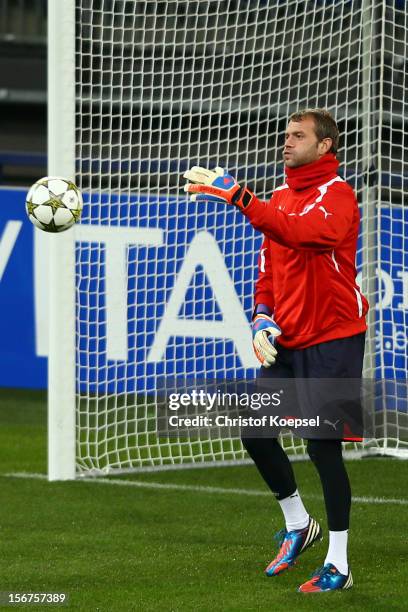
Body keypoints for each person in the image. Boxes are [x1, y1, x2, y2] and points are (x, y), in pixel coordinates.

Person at [183, 108, 369, 593]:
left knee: (322, 448)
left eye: (298, 135)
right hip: (286, 336)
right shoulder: (281, 197)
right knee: (255, 429)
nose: (287, 142)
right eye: (286, 134)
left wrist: (240, 196)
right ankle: (299, 524)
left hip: (333, 335)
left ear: (325, 146)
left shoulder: (339, 196)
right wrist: (262, 315)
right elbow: (269, 268)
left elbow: (304, 235)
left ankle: (340, 565)